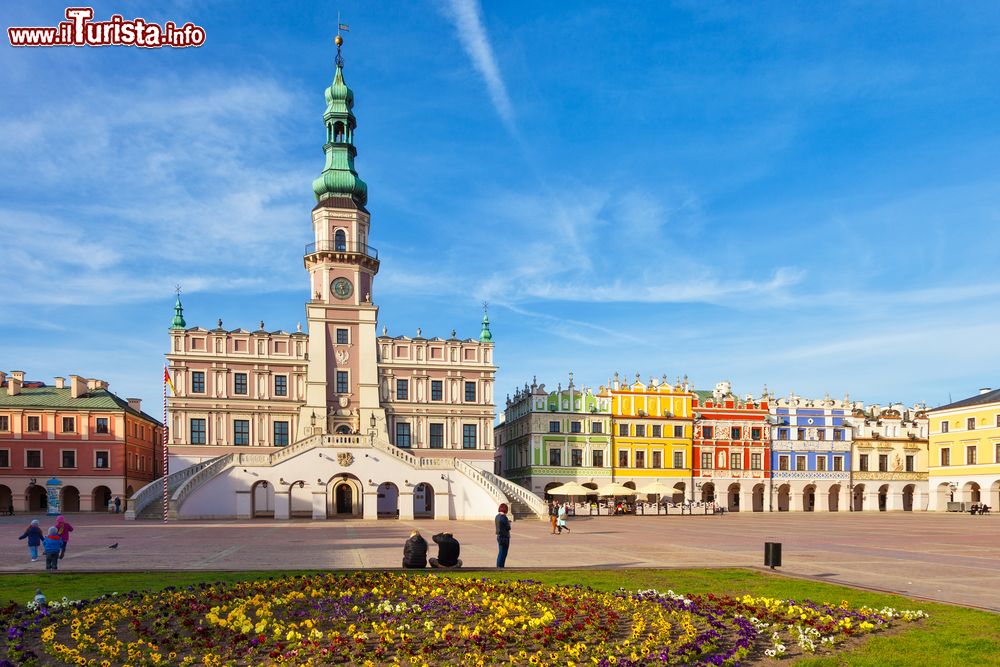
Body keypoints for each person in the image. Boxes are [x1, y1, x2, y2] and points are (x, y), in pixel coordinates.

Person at [495, 503, 511, 568]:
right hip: (504, 537)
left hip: (499, 536)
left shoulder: (497, 516)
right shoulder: (504, 517)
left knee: (500, 552)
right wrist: (509, 523)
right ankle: (500, 566)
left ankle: (499, 566)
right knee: (503, 553)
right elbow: (508, 528)